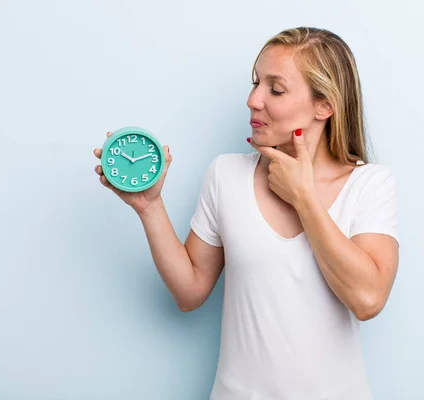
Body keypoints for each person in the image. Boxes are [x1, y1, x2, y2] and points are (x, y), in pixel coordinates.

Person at [93, 27, 399, 400]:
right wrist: (149, 206)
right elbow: (189, 292)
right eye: (256, 84)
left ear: (325, 105)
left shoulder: (369, 184)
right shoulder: (225, 174)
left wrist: (303, 197)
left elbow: (368, 300)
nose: (254, 100)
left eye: (276, 89)